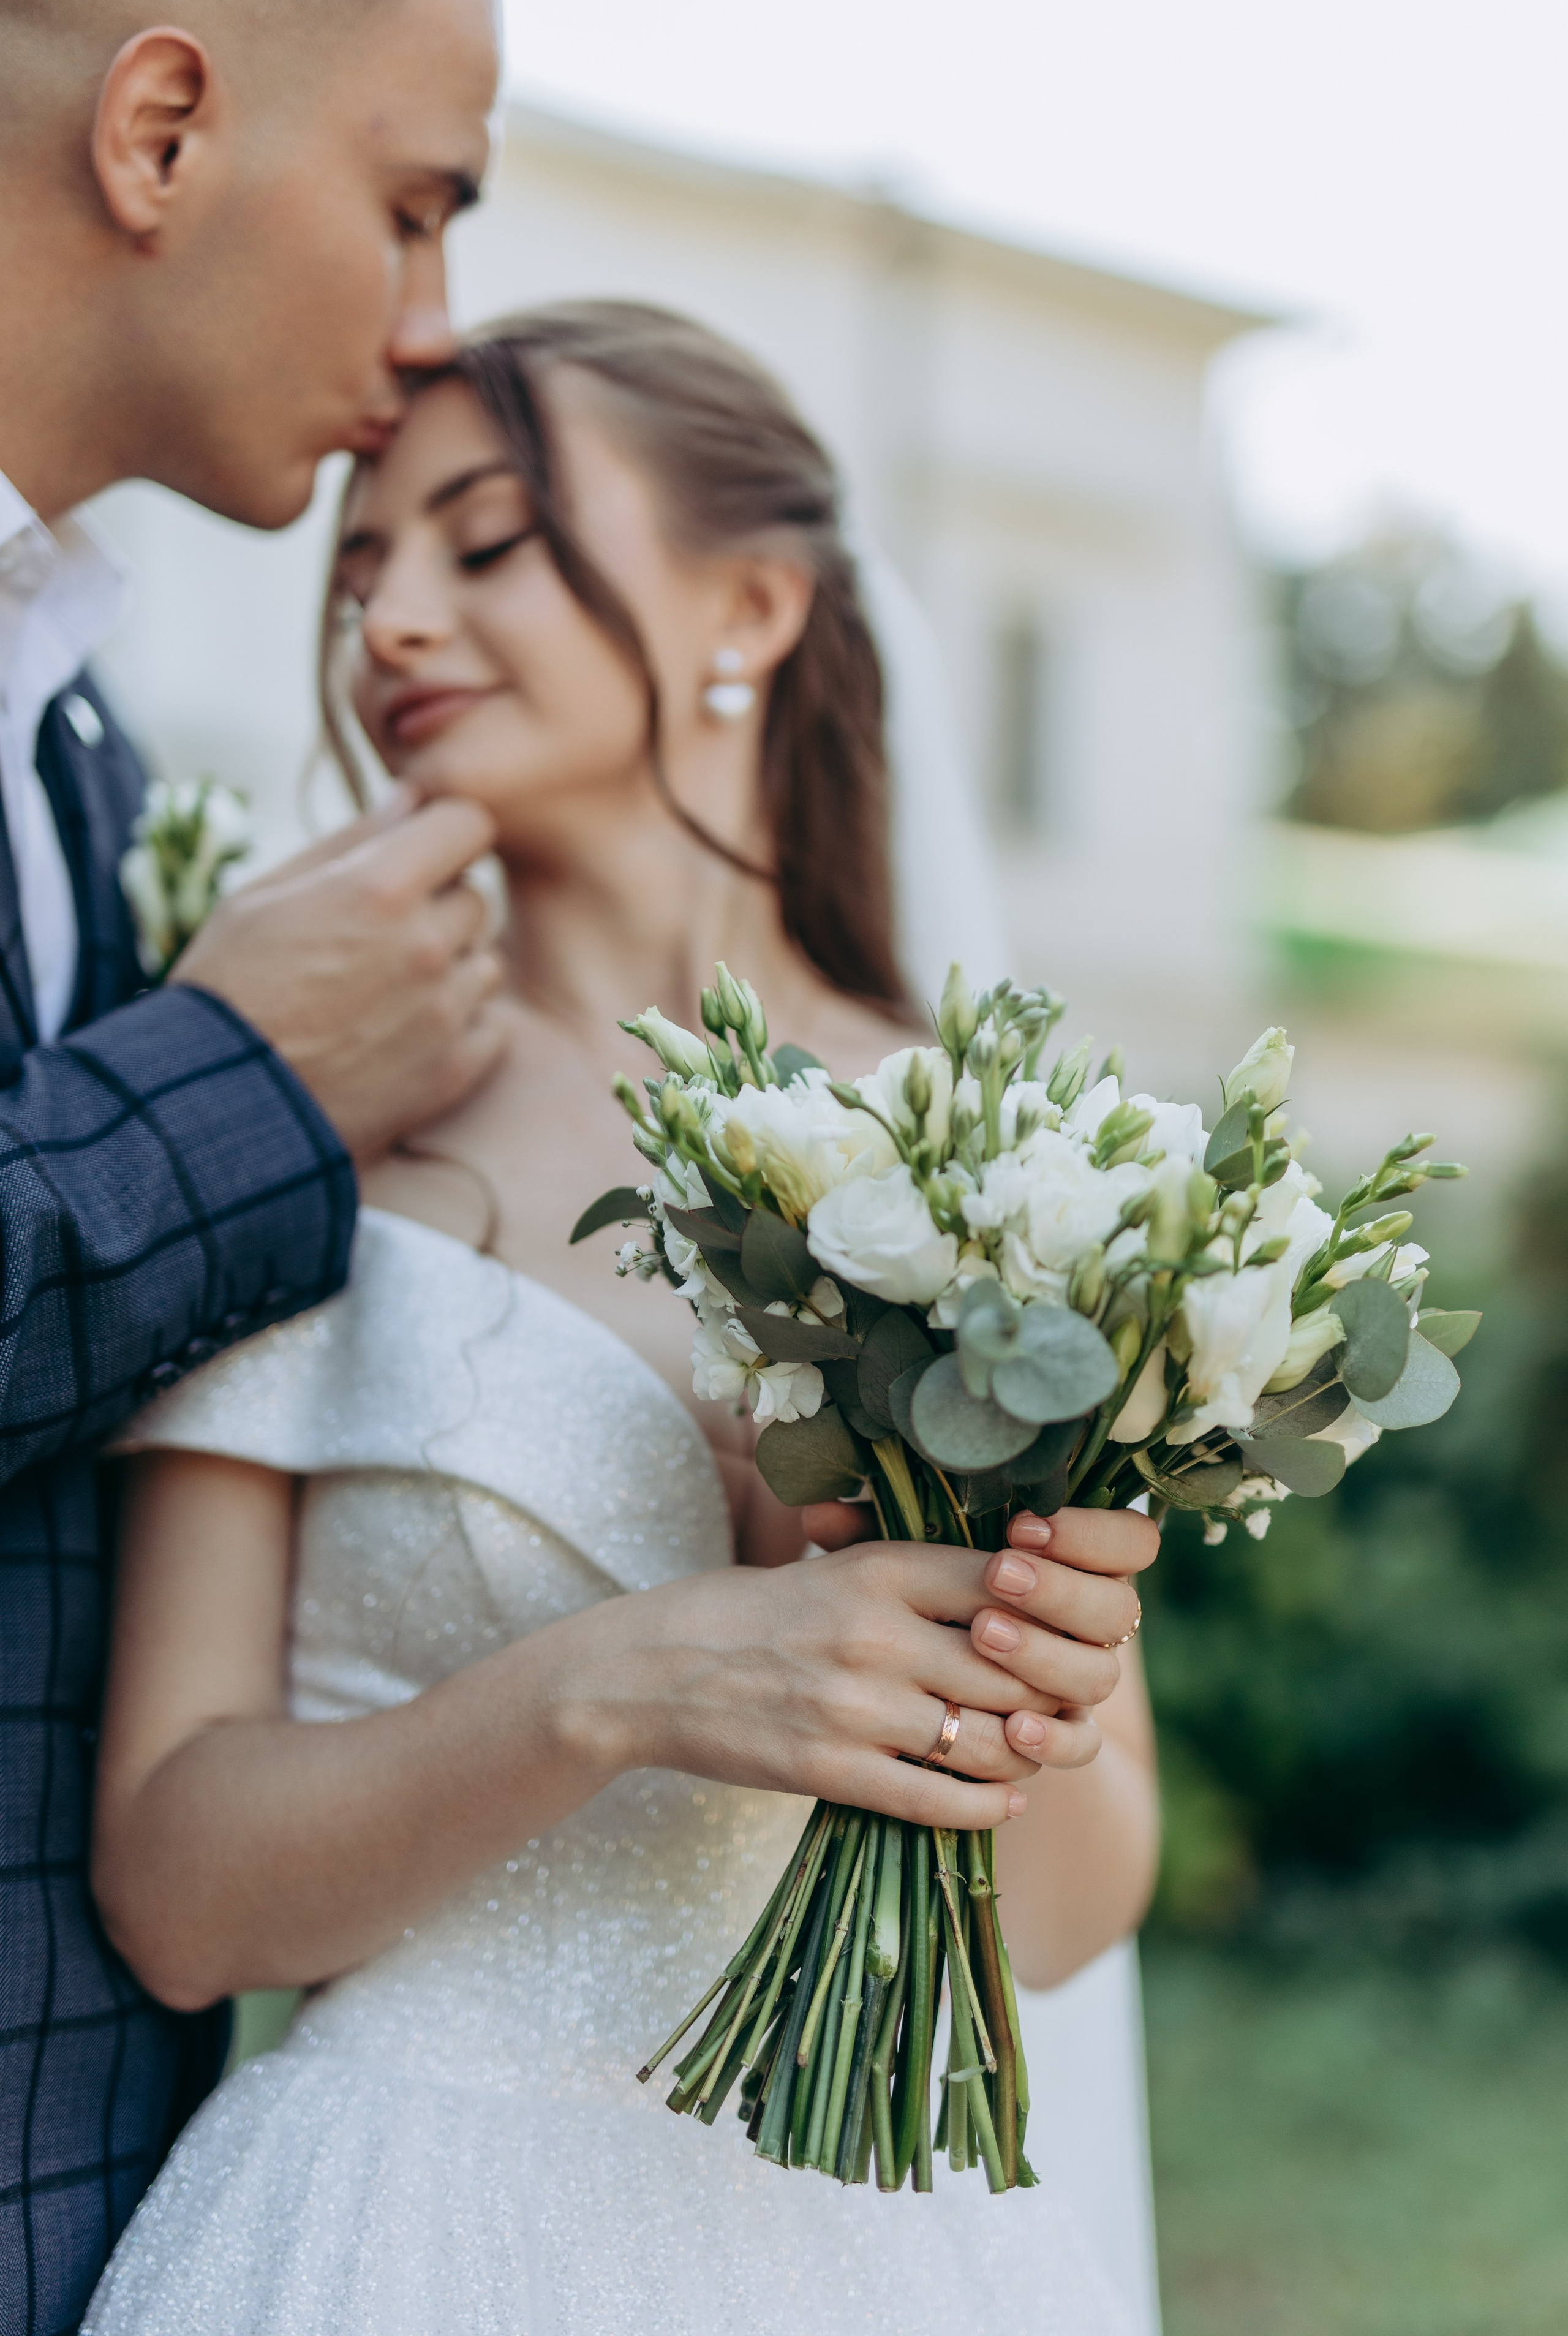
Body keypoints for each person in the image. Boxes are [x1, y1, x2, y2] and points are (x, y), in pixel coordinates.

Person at [81, 305, 1162, 2336]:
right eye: (363, 566)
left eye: (481, 544)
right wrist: (621, 1684)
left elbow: (1072, 1915)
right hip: (395, 2232)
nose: (390, 617)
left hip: (869, 2246)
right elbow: (174, 1890)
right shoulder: (305, 1111)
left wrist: (971, 1617)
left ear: (753, 601)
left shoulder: (989, 1157)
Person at [0, 0, 509, 2330]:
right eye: (415, 212)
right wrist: (241, 1078)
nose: (428, 338)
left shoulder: (69, 731)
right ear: (162, 126)